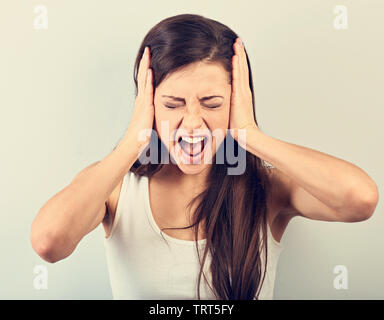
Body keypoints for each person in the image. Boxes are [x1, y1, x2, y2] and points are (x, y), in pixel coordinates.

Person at [30, 14, 379, 300]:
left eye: (212, 104)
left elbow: (360, 200)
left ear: (237, 102)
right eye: (172, 104)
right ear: (147, 106)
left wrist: (250, 136)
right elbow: (49, 243)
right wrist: (133, 140)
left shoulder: (267, 187)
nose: (193, 122)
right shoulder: (116, 189)